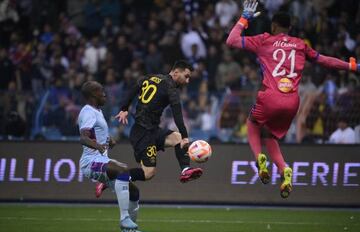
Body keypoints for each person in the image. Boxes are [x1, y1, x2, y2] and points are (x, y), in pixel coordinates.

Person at [226, 0, 360, 198]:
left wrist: (244, 18)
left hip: (269, 96)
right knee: (270, 135)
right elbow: (325, 61)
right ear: (290, 28)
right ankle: (284, 170)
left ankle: (259, 158)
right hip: (291, 102)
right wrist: (352, 66)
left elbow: (231, 40)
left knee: (252, 124)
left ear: (273, 26)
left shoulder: (264, 39)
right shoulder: (300, 45)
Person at [77, 81, 150, 232]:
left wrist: (108, 140)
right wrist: (96, 146)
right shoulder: (88, 111)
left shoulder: (97, 111)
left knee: (134, 191)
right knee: (123, 170)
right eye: (100, 91)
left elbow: (97, 132)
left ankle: (129, 231)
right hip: (90, 162)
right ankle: (124, 219)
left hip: (101, 160)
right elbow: (83, 137)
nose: (104, 93)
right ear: (92, 95)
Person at [116, 60, 203, 184]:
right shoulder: (171, 88)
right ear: (176, 72)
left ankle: (186, 170)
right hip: (143, 133)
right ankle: (114, 178)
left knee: (177, 138)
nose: (188, 81)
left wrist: (124, 108)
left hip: (152, 130)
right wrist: (185, 137)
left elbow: (134, 88)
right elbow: (177, 114)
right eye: (186, 76)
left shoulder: (150, 77)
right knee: (148, 173)